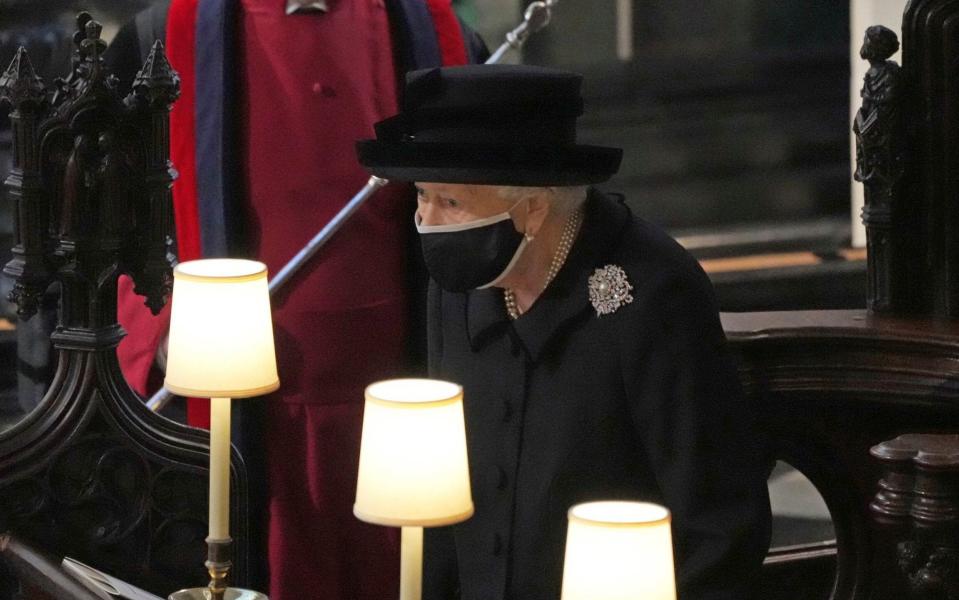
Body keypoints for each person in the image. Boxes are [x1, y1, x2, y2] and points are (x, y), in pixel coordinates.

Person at [105, 2, 486, 599]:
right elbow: (99, 234)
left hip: (406, 407)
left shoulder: (439, 35)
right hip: (241, 414)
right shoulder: (156, 41)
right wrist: (161, 330)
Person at [356, 64, 773, 600]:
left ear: (532, 207)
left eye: (451, 201)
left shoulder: (654, 290)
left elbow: (720, 527)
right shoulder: (456, 285)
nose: (428, 221)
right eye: (421, 196)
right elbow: (441, 502)